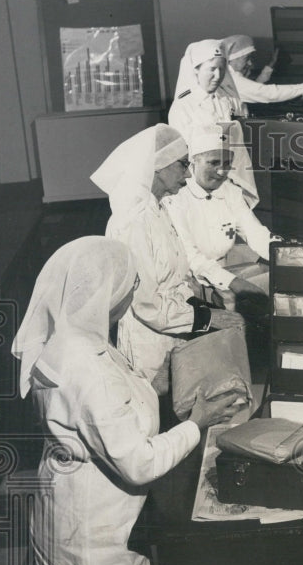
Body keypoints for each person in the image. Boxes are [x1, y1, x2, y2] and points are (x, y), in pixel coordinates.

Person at [11, 237, 247, 565]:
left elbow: (107, 406)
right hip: (99, 521)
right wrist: (196, 423)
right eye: (128, 284)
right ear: (105, 290)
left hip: (64, 504)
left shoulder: (69, 339)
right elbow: (136, 462)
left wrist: (158, 384)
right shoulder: (90, 366)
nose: (131, 293)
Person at [90, 123, 243, 388]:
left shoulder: (158, 210)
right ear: (159, 166)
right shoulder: (133, 221)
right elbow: (147, 304)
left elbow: (173, 278)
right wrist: (208, 318)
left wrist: (204, 302)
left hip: (175, 334)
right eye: (183, 165)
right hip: (149, 347)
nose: (187, 176)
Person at [164, 124, 278, 314]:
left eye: (227, 164)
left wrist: (285, 255)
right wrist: (233, 282)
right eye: (213, 163)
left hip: (221, 277)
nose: (221, 172)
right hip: (185, 283)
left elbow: (256, 233)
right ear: (194, 162)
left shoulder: (230, 192)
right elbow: (189, 256)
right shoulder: (176, 197)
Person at [168, 39, 258, 207]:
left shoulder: (227, 101)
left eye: (221, 69)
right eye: (211, 69)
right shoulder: (183, 106)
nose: (218, 76)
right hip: (200, 186)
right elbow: (184, 155)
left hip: (231, 179)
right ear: (196, 70)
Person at [220, 34, 303, 112]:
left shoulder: (227, 74)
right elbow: (266, 93)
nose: (250, 63)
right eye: (246, 58)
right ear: (231, 59)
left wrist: (271, 64)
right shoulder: (230, 78)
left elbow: (253, 88)